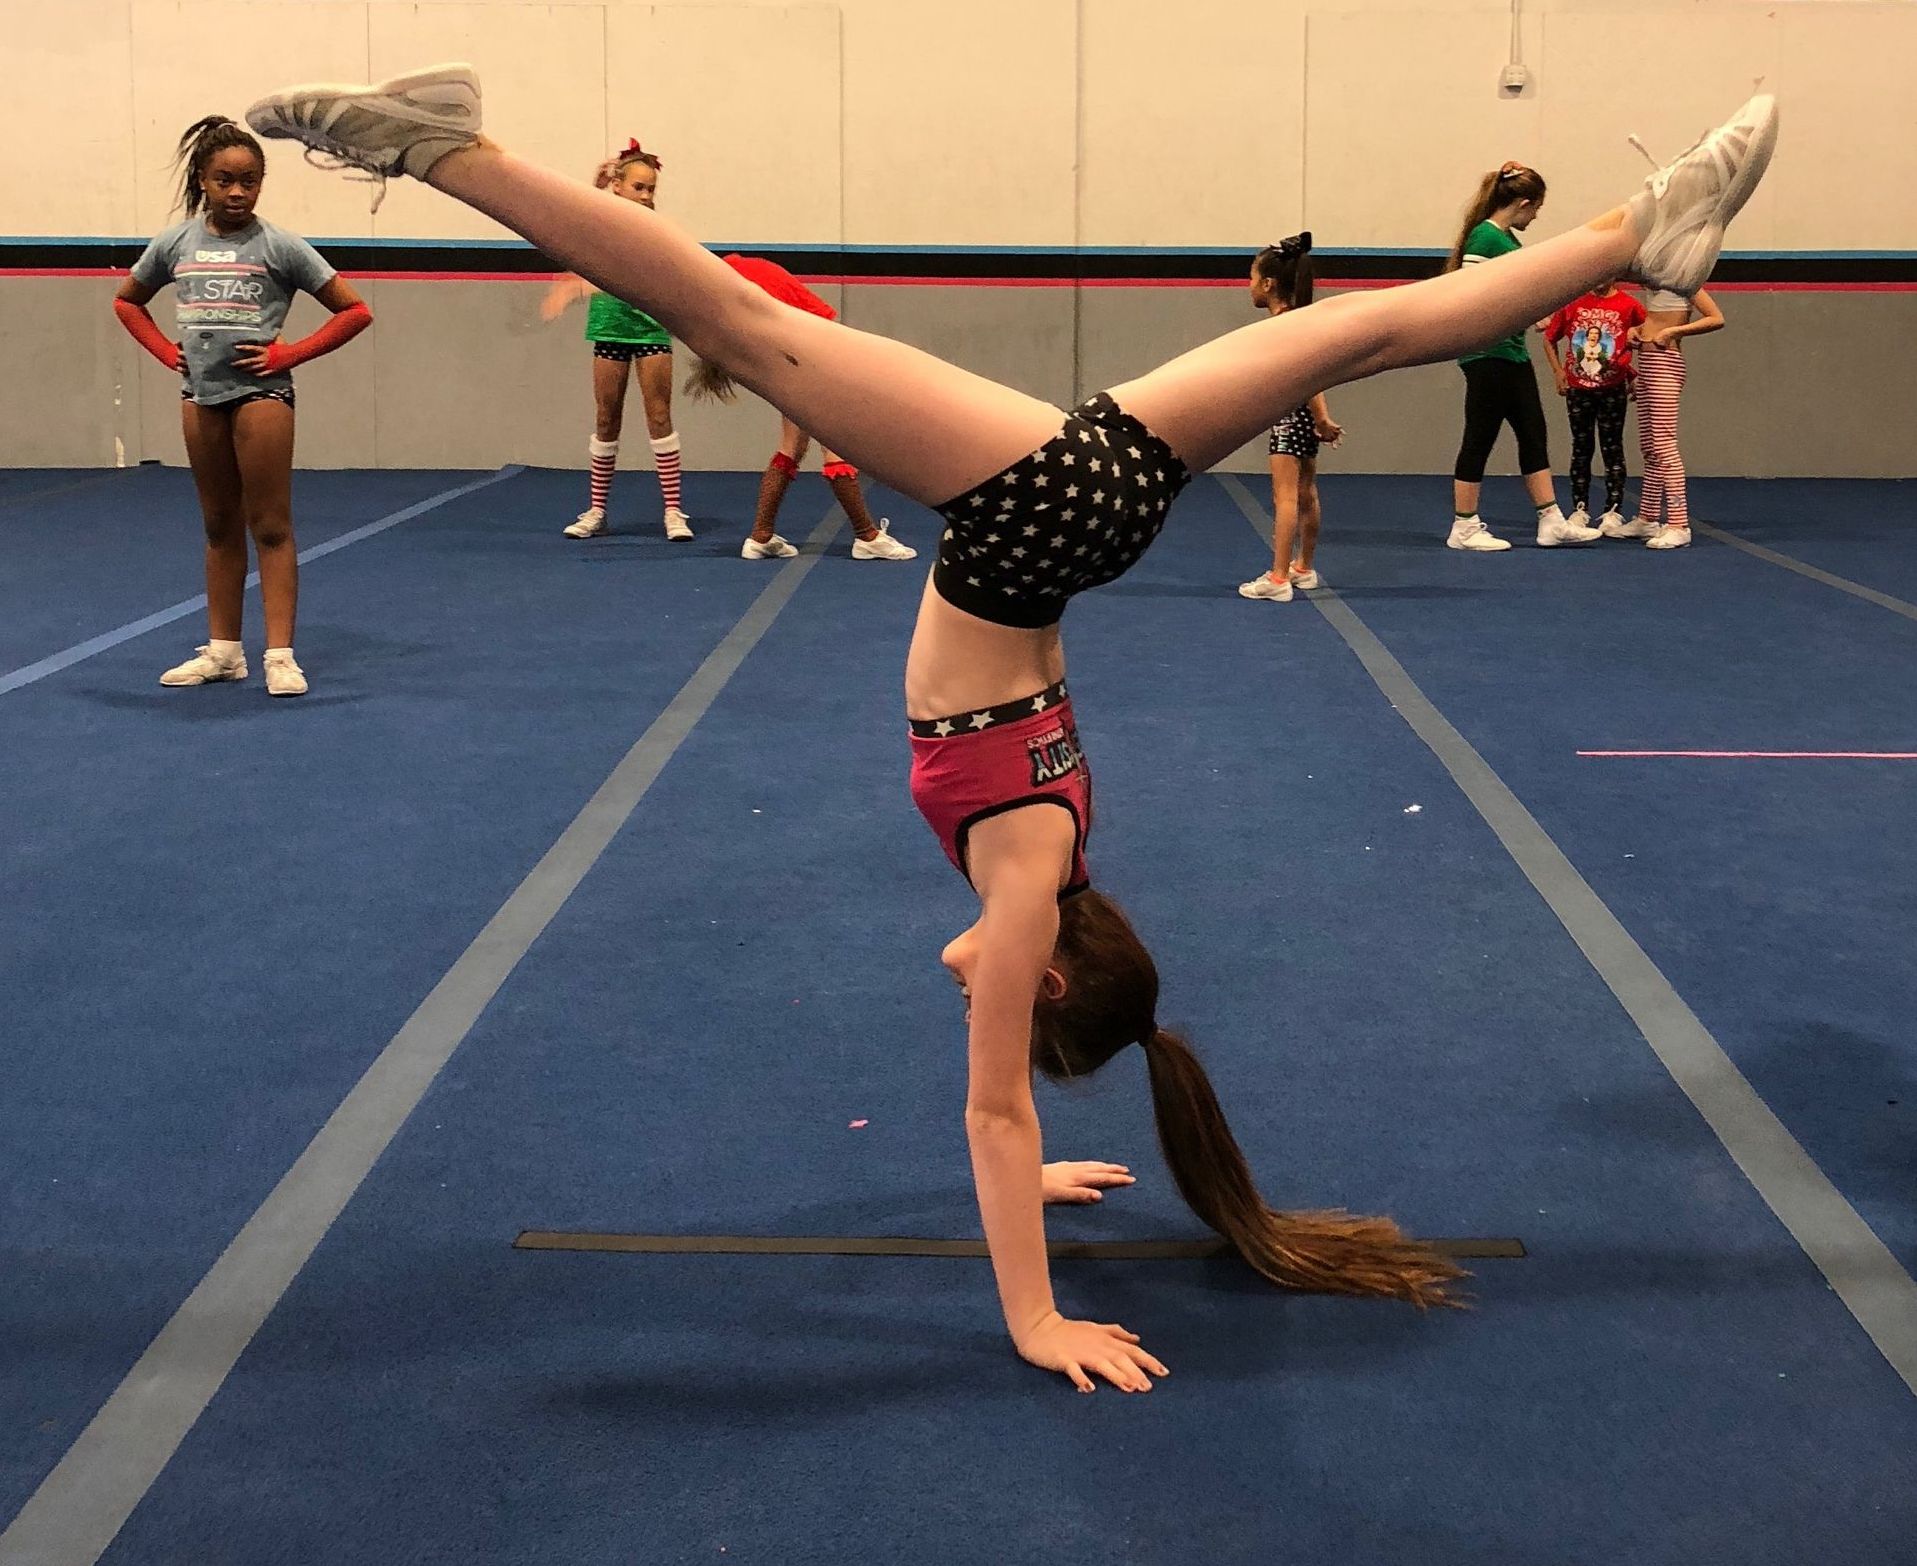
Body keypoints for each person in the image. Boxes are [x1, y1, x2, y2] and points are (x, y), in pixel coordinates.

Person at [247, 66, 1776, 1389]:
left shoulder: (1057, 861)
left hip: (1092, 509)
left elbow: (980, 995)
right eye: (1029, 1004)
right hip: (1023, 517)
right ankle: (445, 151)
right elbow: (982, 1100)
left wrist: (1046, 1140)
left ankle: (1638, 238)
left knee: (1360, 339)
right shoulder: (1025, 882)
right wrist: (1036, 1307)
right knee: (733, 315)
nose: (974, 980)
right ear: (1054, 967)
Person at [114, 115, 372, 696]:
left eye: (250, 181)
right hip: (200, 395)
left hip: (262, 396)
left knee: (271, 525)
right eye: (225, 180)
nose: (238, 193)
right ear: (203, 180)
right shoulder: (177, 242)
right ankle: (225, 650)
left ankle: (279, 653)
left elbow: (354, 310)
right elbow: (128, 301)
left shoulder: (278, 244)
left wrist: (290, 354)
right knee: (217, 525)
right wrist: (165, 352)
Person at [684, 254, 916, 562]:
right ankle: (867, 536)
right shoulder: (730, 282)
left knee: (793, 443)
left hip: (789, 350)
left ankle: (761, 536)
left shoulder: (723, 289)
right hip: (802, 349)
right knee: (833, 444)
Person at [540, 138, 692, 541]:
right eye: (638, 187)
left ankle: (674, 511)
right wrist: (593, 187)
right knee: (606, 419)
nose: (645, 195)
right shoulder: (601, 223)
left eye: (651, 189)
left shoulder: (656, 227)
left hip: (650, 328)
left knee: (658, 416)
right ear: (618, 186)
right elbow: (574, 231)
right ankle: (596, 509)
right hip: (610, 328)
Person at [1443, 163, 1601, 551]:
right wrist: (1524, 311)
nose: (1536, 217)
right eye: (1537, 209)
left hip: (1511, 352)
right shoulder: (1486, 237)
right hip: (1487, 352)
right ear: (1524, 203)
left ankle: (1550, 519)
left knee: (1533, 432)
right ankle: (1463, 526)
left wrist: (1531, 311)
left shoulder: (1507, 240)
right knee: (1479, 436)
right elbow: (1471, 295)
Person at [1237, 233, 1343, 602]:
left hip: (1287, 417)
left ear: (1268, 284)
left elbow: (1304, 378)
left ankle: (1279, 577)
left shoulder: (1279, 325)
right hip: (1304, 418)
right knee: (1305, 493)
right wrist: (1322, 420)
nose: (1248, 287)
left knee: (1285, 498)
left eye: (1251, 279)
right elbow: (1314, 376)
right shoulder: (1300, 320)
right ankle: (1304, 567)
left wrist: (1320, 417)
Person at [1539, 280, 1646, 534]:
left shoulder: (1629, 305)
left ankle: (1613, 509)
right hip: (1579, 388)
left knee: (1612, 447)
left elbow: (1648, 333)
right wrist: (1557, 372)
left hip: (1612, 387)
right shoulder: (1573, 302)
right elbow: (1549, 338)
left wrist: (1635, 374)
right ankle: (1580, 507)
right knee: (1581, 446)